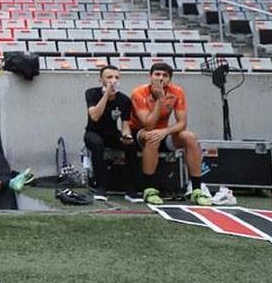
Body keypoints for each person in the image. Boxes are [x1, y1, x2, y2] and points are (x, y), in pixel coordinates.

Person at [128, 62, 209, 206]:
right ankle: (149, 189)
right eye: (157, 74)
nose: (161, 78)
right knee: (152, 136)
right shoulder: (139, 93)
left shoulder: (177, 91)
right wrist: (160, 99)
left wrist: (165, 131)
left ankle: (197, 189)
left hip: (163, 132)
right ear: (150, 77)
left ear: (170, 79)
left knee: (190, 137)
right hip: (139, 133)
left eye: (165, 76)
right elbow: (148, 124)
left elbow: (182, 123)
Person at [83, 65, 137, 195]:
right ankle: (101, 186)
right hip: (93, 132)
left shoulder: (124, 100)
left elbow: (125, 124)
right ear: (101, 79)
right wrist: (107, 94)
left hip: (112, 134)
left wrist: (127, 136)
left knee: (132, 145)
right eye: (109, 77)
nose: (113, 80)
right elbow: (94, 116)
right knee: (97, 144)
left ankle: (131, 189)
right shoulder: (91, 93)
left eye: (116, 77)